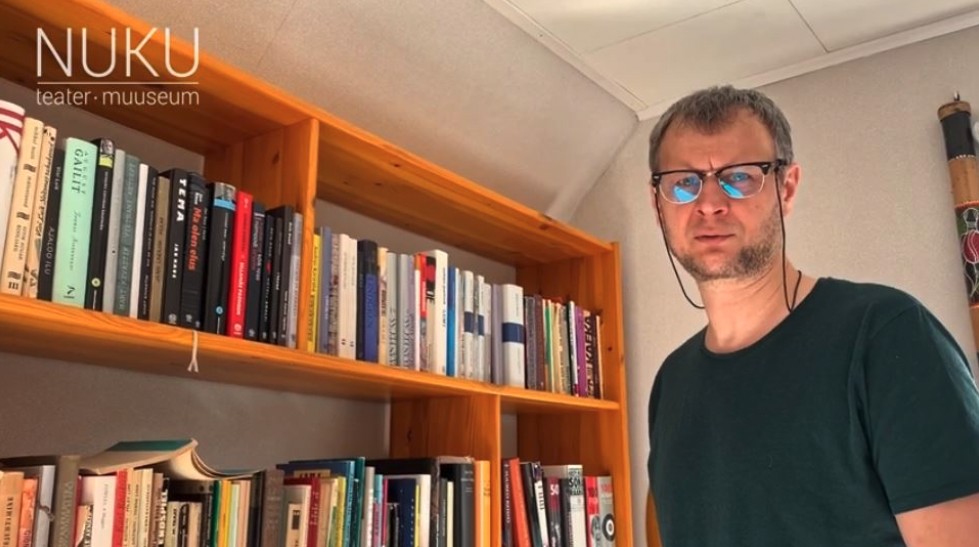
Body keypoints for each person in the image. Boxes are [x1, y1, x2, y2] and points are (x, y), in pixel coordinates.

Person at [645, 85, 979, 546]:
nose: (709, 203)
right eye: (683, 183)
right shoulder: (671, 383)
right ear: (658, 205)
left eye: (739, 176)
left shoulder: (887, 335)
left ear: (786, 188)